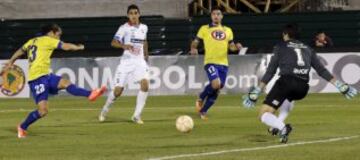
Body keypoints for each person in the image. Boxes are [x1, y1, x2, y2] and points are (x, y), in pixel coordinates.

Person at [243, 24, 357, 143]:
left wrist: (257, 90)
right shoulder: (308, 48)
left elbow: (270, 71)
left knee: (264, 114)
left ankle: (283, 128)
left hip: (286, 82)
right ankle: (275, 125)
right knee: (287, 99)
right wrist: (339, 85)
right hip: (302, 88)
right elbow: (321, 70)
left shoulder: (280, 46)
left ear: (286, 34)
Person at [1, 24, 107, 138]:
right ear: (51, 33)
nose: (59, 37)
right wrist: (77, 47)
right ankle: (22, 127)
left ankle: (90, 94)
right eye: (58, 34)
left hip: (46, 75)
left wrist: (11, 62)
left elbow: (20, 51)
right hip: (37, 79)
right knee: (43, 111)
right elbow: (65, 46)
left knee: (65, 83)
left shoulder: (32, 41)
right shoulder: (48, 40)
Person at [98, 4, 149, 124]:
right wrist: (123, 45)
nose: (134, 15)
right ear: (128, 15)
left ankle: (136, 116)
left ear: (139, 14)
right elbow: (113, 42)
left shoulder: (144, 27)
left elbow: (145, 41)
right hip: (126, 63)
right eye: (131, 13)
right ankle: (104, 111)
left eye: (136, 13)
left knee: (145, 85)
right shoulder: (123, 28)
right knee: (118, 91)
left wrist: (146, 56)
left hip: (139, 62)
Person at [190, 6, 242, 120]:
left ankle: (203, 111)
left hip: (223, 63)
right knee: (216, 84)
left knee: (218, 89)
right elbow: (195, 42)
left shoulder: (228, 30)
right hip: (210, 62)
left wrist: (236, 47)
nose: (216, 16)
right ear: (211, 16)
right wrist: (193, 48)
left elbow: (231, 47)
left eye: (218, 14)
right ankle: (201, 96)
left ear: (222, 16)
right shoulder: (204, 28)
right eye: (214, 14)